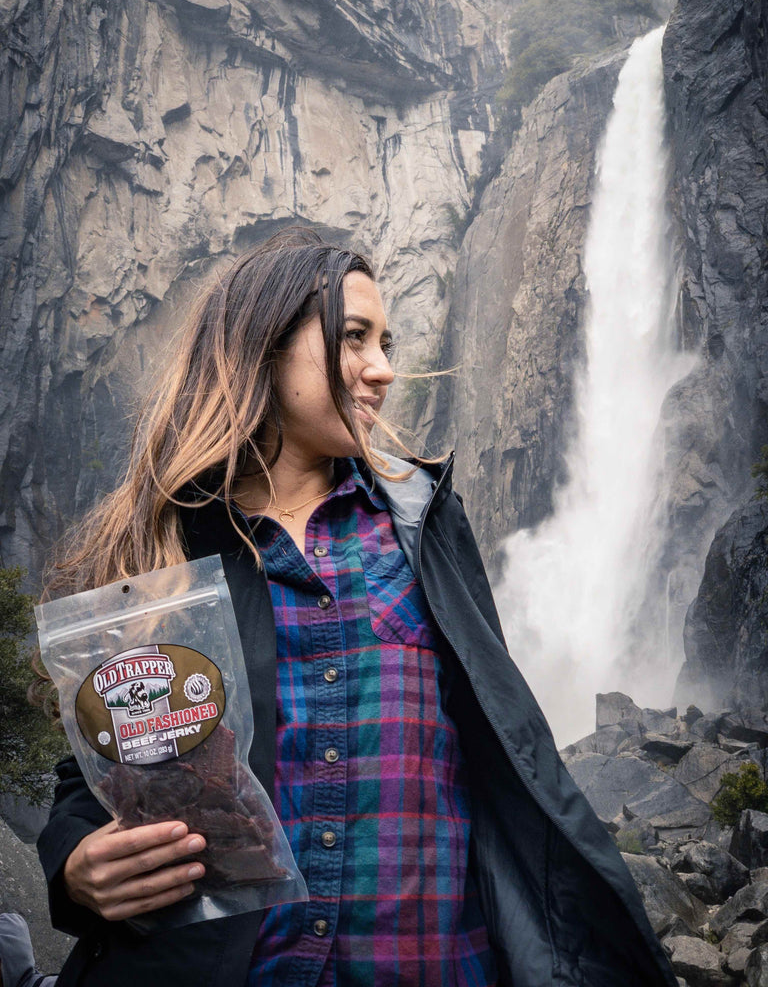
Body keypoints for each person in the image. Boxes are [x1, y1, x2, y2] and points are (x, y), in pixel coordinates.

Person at [36, 228, 675, 986]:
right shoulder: (163, 545)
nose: (383, 370)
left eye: (387, 343)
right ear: (262, 345)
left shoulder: (425, 529)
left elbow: (508, 749)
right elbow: (100, 775)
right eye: (355, 340)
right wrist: (74, 870)